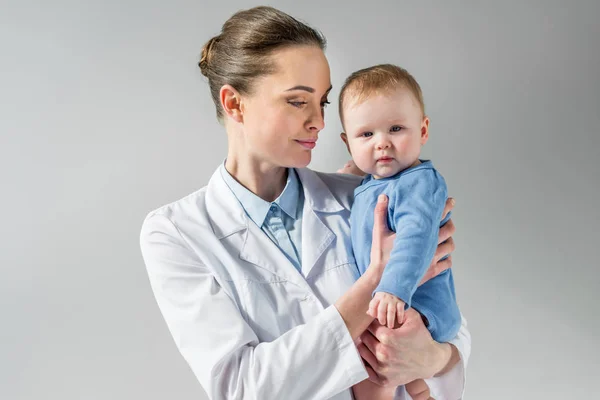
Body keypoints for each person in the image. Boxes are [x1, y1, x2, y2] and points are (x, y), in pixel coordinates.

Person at [139, 6, 470, 400]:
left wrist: (431, 360)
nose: (319, 121)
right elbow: (241, 388)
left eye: (324, 103)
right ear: (234, 103)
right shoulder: (176, 233)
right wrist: (375, 280)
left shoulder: (364, 196)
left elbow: (450, 332)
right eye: (298, 102)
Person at [338, 64, 462, 400]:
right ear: (348, 143)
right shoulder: (374, 182)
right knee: (396, 367)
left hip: (415, 302)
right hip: (397, 303)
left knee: (374, 364)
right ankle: (422, 393)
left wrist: (394, 289)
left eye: (396, 128)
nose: (382, 144)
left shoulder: (419, 183)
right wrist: (350, 172)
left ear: (422, 131)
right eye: (367, 135)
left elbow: (415, 236)